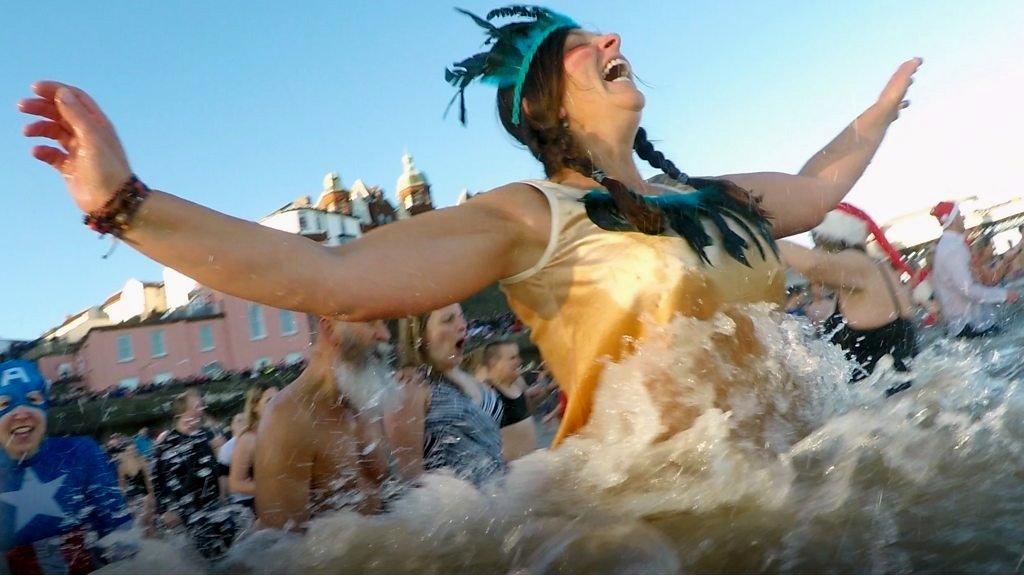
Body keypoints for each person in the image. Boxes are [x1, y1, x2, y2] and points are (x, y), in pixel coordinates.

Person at [18, 6, 920, 448]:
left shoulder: (711, 196)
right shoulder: (530, 217)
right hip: (668, 524)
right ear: (544, 99)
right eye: (581, 43)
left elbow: (811, 186)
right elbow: (322, 275)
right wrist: (124, 202)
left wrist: (878, 115)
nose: (610, 37)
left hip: (805, 470)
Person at [255, 318, 401, 530]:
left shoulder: (363, 402)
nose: (385, 335)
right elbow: (282, 550)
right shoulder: (288, 418)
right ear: (330, 329)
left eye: (383, 322)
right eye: (370, 322)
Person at [0, 360, 135, 574]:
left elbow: (123, 541)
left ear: (45, 406)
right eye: (4, 405)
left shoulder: (81, 454)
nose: (22, 413)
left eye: (33, 399)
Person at [779, 206, 918, 394]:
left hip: (885, 405)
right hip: (904, 394)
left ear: (826, 239)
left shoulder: (855, 263)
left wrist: (764, 241)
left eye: (815, 239)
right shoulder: (878, 266)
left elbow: (814, 265)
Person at [396, 304, 506, 487]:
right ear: (420, 336)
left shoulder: (474, 381)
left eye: (462, 317)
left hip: (501, 498)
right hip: (458, 510)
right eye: (448, 320)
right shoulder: (412, 385)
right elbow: (408, 477)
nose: (463, 325)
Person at [152, 388, 239, 560]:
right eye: (197, 406)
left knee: (233, 552)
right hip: (191, 512)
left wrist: (223, 494)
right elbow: (157, 479)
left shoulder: (202, 436)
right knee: (213, 559)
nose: (202, 409)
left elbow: (214, 468)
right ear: (183, 412)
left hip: (214, 505)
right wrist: (163, 511)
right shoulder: (166, 443)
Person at [929, 202, 1019, 338]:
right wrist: (1003, 295)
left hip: (968, 325)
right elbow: (968, 289)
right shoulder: (952, 249)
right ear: (952, 219)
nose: (963, 218)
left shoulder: (949, 246)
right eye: (959, 214)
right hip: (969, 327)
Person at [480, 340, 537, 460]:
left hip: (532, 463)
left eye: (518, 357)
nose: (519, 361)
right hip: (511, 471)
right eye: (512, 358)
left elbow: (526, 414)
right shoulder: (485, 394)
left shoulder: (518, 384)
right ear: (494, 363)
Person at [227, 386, 278, 510]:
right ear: (255, 407)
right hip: (265, 508)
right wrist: (275, 489)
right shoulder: (248, 439)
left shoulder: (284, 432)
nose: (276, 404)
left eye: (279, 398)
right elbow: (235, 484)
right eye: (269, 400)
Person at [111, 440, 156, 538]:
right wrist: (123, 500)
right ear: (125, 452)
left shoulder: (142, 461)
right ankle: (148, 543)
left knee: (148, 520)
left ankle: (152, 540)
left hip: (144, 494)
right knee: (142, 523)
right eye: (130, 450)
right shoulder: (121, 466)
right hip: (132, 497)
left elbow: (148, 480)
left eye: (134, 449)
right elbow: (121, 485)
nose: (133, 451)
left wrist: (152, 495)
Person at [217, 413, 248, 500]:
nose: (243, 423)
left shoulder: (258, 439)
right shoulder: (227, 448)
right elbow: (223, 474)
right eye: (239, 421)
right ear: (231, 426)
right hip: (240, 498)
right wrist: (223, 496)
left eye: (246, 420)